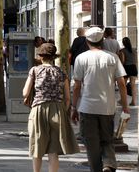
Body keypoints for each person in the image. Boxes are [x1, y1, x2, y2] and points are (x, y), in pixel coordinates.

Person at [71, 27, 130, 172]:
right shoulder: (112, 57)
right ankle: (108, 164)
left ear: (87, 41)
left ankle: (96, 169)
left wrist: (73, 107)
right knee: (107, 139)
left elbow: (77, 85)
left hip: (87, 107)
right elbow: (122, 83)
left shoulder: (81, 58)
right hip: (108, 107)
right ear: (102, 40)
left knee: (91, 143)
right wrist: (125, 105)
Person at [22, 43, 79, 172]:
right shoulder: (61, 72)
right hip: (58, 109)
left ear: (40, 57)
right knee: (53, 150)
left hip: (39, 109)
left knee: (37, 146)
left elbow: (25, 93)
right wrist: (63, 109)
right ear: (54, 57)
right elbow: (67, 97)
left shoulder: (34, 70)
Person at [119, 37, 137, 106]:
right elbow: (135, 60)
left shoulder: (122, 51)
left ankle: (122, 101)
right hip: (133, 67)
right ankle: (133, 102)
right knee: (133, 85)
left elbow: (123, 61)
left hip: (126, 68)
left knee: (123, 85)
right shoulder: (134, 50)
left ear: (123, 43)